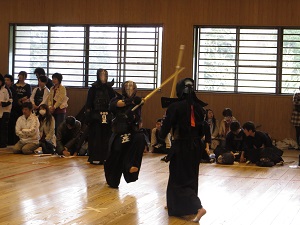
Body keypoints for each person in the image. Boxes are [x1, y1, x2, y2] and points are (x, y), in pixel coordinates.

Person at [159, 78, 207, 222]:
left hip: (181, 146)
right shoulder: (200, 108)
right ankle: (175, 205)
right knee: (191, 177)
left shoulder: (175, 107)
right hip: (196, 147)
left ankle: (198, 207)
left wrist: (165, 122)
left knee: (178, 179)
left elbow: (163, 133)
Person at [104, 80, 145, 188]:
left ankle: (131, 166)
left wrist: (138, 104)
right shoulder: (116, 99)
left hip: (132, 131)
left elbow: (138, 117)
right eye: (127, 88)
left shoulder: (138, 102)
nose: (129, 90)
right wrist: (131, 101)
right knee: (116, 152)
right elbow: (117, 105)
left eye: (131, 88)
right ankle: (112, 178)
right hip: (119, 133)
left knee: (140, 139)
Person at [85, 69, 116, 164]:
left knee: (107, 137)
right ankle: (95, 157)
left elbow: (113, 102)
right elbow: (89, 104)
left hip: (108, 116)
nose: (103, 77)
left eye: (105, 75)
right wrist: (89, 116)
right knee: (96, 137)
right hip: (96, 116)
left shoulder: (110, 89)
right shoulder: (93, 89)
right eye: (101, 75)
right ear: (98, 76)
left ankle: (106, 157)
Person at [4, 74, 18, 145]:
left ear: (11, 82)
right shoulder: (2, 89)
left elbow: (15, 102)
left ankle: (10, 142)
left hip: (12, 112)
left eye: (8, 80)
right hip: (3, 111)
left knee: (11, 128)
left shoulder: (13, 90)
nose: (6, 81)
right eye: (5, 80)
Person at [0, 74, 13, 148]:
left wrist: (2, 103)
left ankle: (3, 144)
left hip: (5, 111)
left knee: (3, 129)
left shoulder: (6, 89)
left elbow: (10, 101)